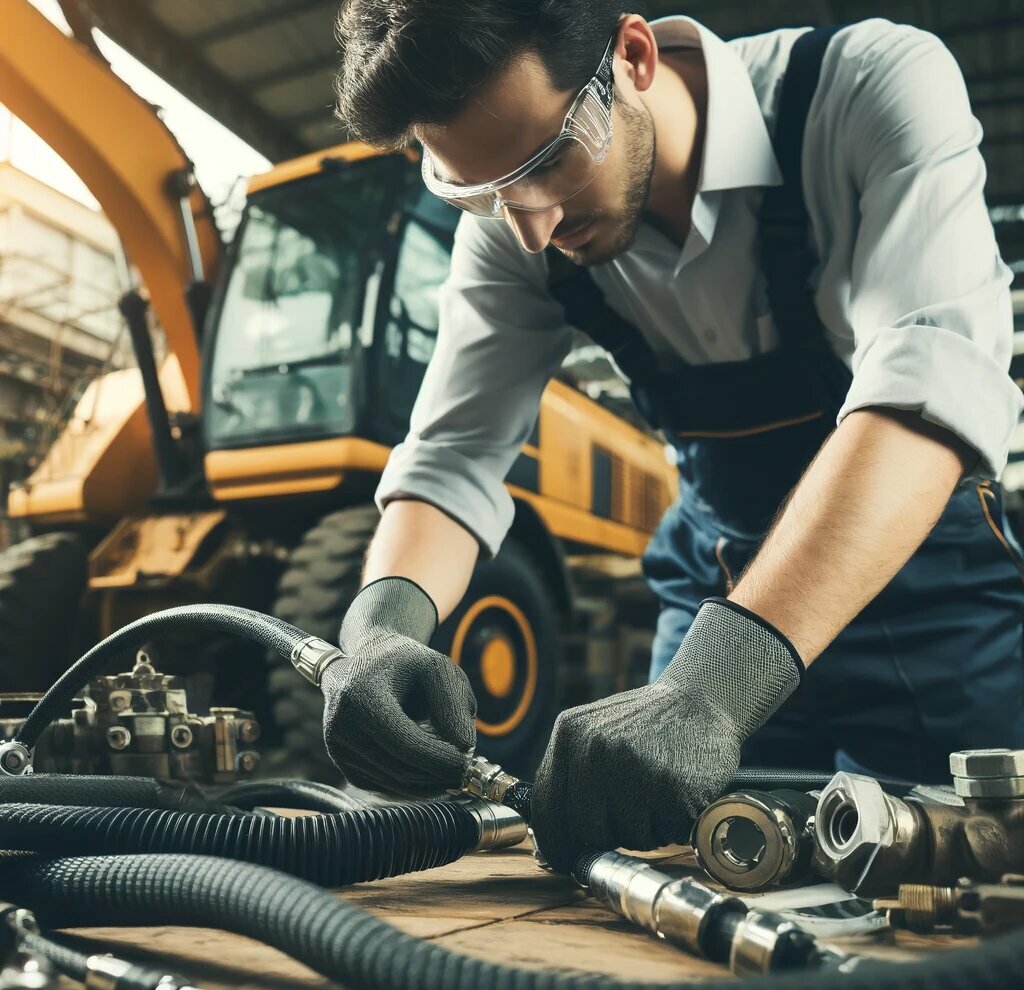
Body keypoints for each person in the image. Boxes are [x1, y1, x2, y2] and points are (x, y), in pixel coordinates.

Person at [317, 1, 1024, 874]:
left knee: (969, 877)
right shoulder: (517, 220)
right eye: (480, 193)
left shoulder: (864, 88)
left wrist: (712, 688)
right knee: (663, 875)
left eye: (547, 162)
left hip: (929, 593)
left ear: (635, 56)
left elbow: (928, 387)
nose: (530, 225)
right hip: (716, 577)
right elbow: (454, 454)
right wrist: (383, 630)